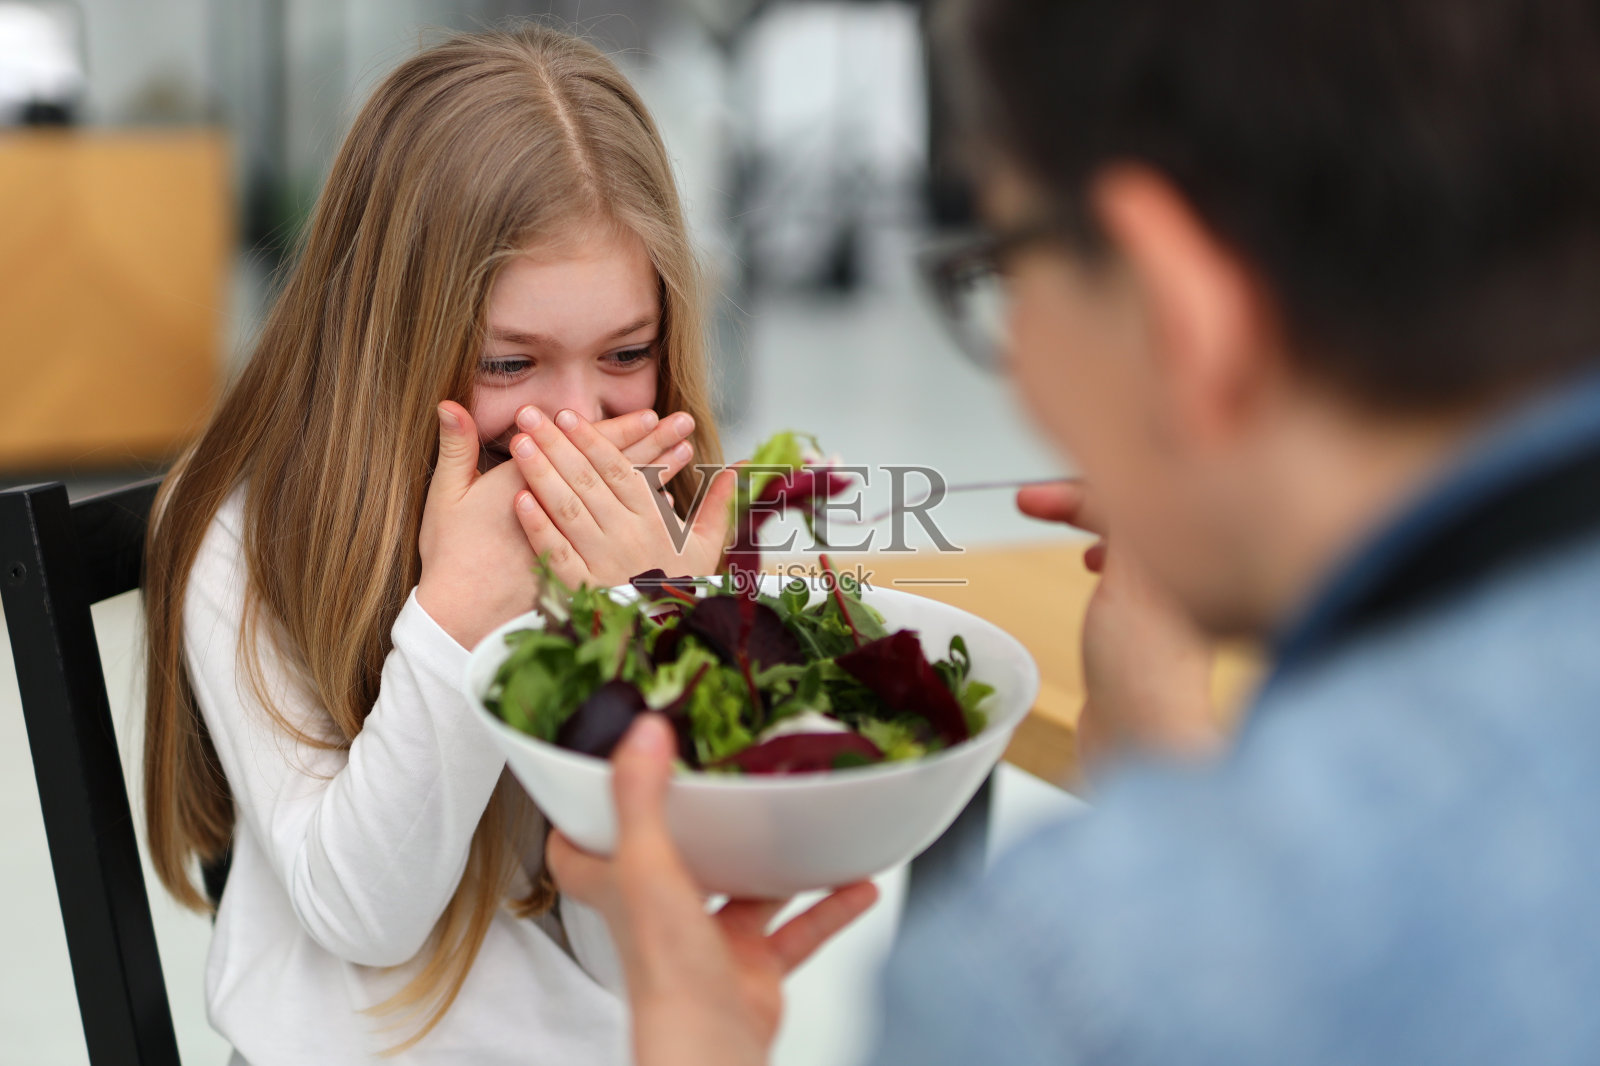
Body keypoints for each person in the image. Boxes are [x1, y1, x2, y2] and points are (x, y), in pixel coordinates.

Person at [547, 0, 1600, 1063]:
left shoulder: (1056, 976)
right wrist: (1160, 763)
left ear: (1176, 305)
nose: (1014, 366)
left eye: (1001, 268)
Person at [140, 26, 741, 1064]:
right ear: (394, 335)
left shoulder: (658, 525)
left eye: (627, 353)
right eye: (509, 362)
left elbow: (626, 954)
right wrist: (457, 613)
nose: (572, 421)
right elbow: (365, 916)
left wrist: (651, 645)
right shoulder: (246, 530)